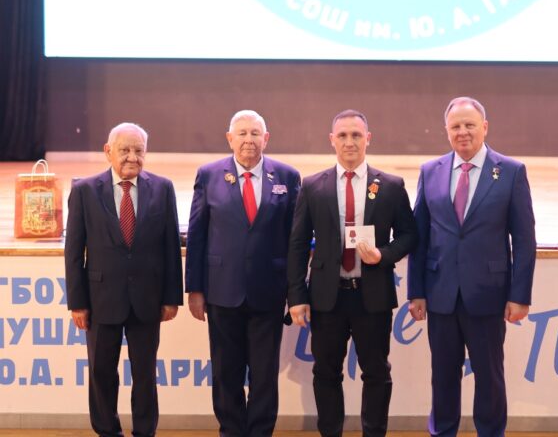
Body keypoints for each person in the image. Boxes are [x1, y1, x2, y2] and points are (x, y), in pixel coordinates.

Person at [407, 97, 536, 436]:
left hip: (488, 295)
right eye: (455, 126)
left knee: (490, 378)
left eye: (469, 125)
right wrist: (416, 291)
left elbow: (524, 240)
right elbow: (420, 237)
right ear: (446, 131)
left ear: (485, 128)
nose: (462, 132)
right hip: (441, 294)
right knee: (443, 377)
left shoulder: (511, 172)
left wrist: (520, 295)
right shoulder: (430, 171)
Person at [287, 109, 418, 437]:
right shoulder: (312, 186)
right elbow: (298, 244)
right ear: (332, 140)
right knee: (326, 373)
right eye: (343, 135)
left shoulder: (391, 186)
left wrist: (383, 255)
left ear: (367, 139)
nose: (349, 142)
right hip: (326, 298)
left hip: (372, 296)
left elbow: (409, 235)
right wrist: (297, 297)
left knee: (376, 373)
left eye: (356, 135)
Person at [185, 110, 301, 436]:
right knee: (226, 373)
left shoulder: (288, 176)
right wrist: (195, 289)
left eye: (255, 133)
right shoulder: (208, 175)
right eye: (242, 133)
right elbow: (197, 235)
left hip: (269, 291)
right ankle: (231, 431)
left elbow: (295, 239)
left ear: (266, 138)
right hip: (222, 291)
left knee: (264, 375)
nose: (249, 139)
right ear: (229, 139)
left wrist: (295, 291)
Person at [65, 122, 183, 437]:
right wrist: (77, 303)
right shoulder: (85, 191)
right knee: (102, 373)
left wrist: (172, 297)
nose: (132, 157)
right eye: (125, 150)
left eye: (139, 150)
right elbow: (74, 252)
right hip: (100, 300)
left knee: (145, 375)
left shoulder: (163, 188)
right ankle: (107, 431)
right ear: (108, 152)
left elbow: (171, 247)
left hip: (148, 299)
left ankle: (145, 431)